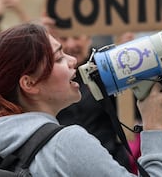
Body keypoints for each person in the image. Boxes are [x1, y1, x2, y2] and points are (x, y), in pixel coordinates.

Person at [0, 23, 162, 177]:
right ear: (29, 84)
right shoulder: (66, 143)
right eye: (59, 58)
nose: (72, 60)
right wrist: (155, 127)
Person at [55, 34, 132, 171]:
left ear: (88, 38)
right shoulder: (49, 77)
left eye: (77, 37)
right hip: (64, 165)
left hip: (109, 160)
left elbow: (132, 110)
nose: (71, 45)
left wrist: (129, 65)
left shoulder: (107, 67)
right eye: (64, 38)